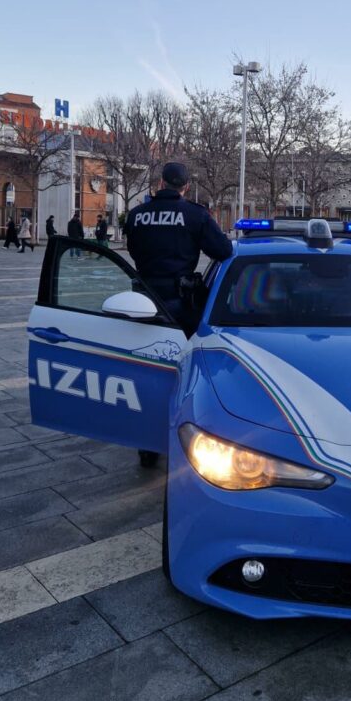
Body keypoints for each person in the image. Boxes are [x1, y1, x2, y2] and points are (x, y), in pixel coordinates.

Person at [124, 162, 233, 470]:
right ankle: (187, 437)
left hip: (142, 303)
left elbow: (133, 249)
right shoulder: (195, 215)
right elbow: (224, 250)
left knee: (142, 370)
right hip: (180, 306)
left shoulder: (137, 215)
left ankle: (146, 444)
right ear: (185, 186)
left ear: (160, 182)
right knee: (182, 374)